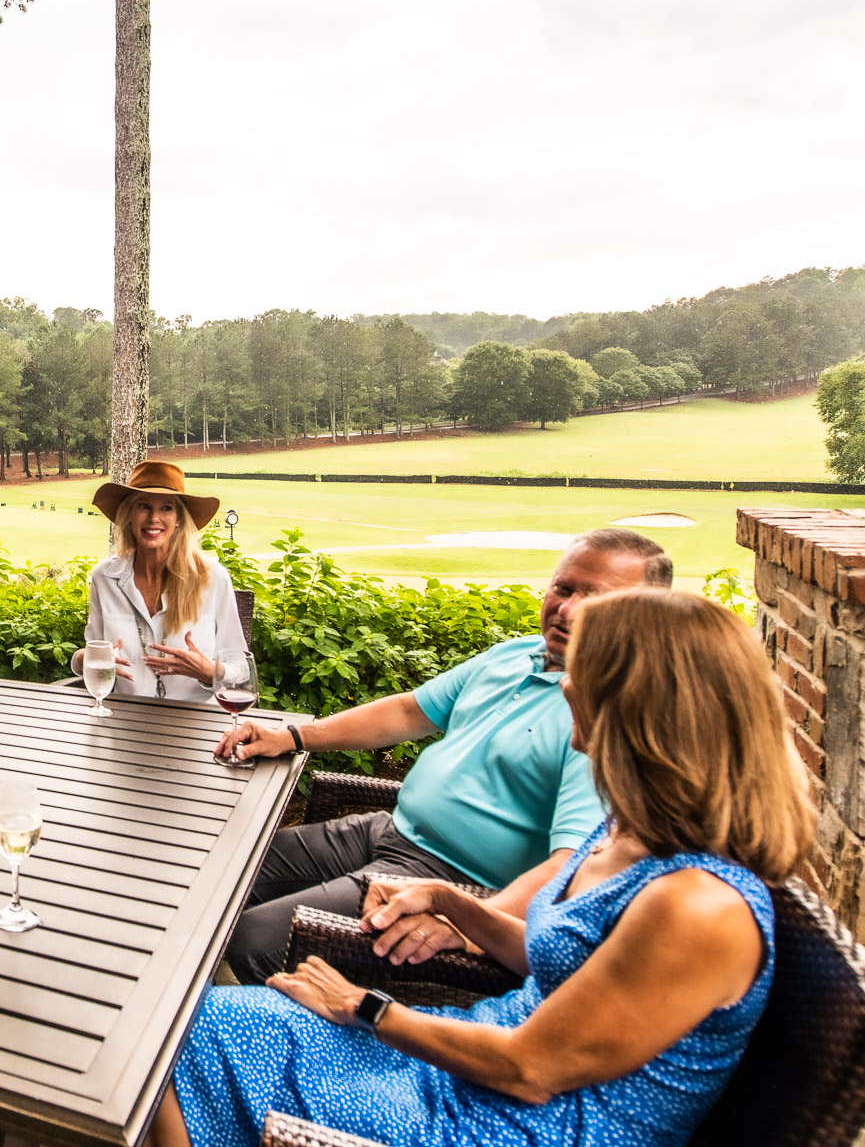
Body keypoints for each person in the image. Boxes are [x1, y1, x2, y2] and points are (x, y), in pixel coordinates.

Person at [151, 587, 815, 1147]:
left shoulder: (698, 906)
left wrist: (363, 1005)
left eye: (584, 670)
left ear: (638, 704)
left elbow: (533, 1069)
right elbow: (566, 959)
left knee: (177, 1040)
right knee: (188, 1024)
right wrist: (452, 903)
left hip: (517, 1118)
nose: (566, 682)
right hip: (477, 1057)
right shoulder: (629, 830)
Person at [215, 528, 671, 982]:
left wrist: (472, 922)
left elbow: (571, 867)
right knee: (220, 869)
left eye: (596, 598)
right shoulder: (515, 655)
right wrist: (293, 736)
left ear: (645, 614)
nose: (567, 609)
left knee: (253, 939)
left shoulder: (606, 715)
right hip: (390, 829)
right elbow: (408, 711)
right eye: (563, 588)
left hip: (451, 877)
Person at [72, 460, 249, 702]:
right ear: (130, 514)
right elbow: (94, 652)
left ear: (179, 518)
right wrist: (82, 659)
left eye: (166, 508)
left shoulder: (213, 577)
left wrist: (210, 672)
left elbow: (241, 668)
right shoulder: (105, 577)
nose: (153, 518)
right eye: (143, 506)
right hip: (125, 717)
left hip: (196, 720)